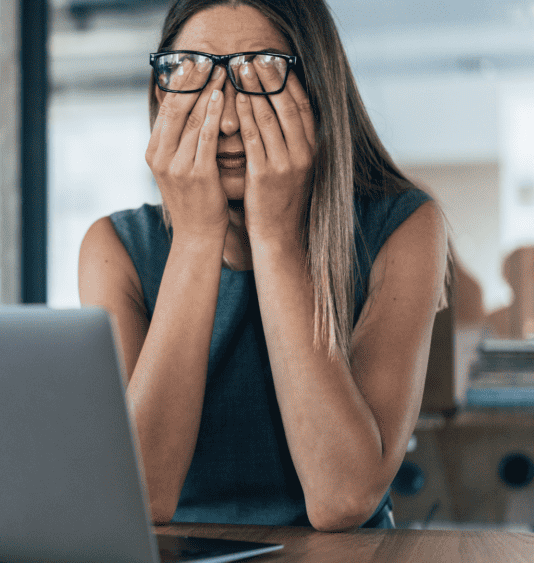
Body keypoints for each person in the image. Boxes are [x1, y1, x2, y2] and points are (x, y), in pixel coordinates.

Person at [78, 0, 451, 532]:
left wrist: (275, 237)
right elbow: (140, 497)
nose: (227, 119)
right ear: (162, 94)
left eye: (261, 74)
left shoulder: (405, 226)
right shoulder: (114, 247)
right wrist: (197, 237)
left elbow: (343, 498)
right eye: (195, 75)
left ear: (317, 92)